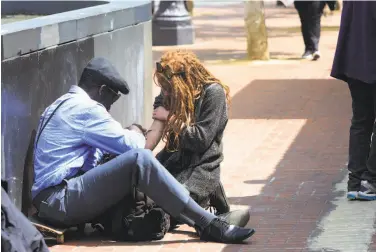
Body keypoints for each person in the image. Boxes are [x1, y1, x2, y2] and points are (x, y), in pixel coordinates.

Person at [31, 57, 255, 243]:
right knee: (140, 158)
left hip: (53, 199)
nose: (110, 106)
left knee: (132, 153)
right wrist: (159, 121)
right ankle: (207, 223)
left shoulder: (62, 103)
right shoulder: (87, 110)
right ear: (101, 89)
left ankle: (205, 215)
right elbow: (139, 147)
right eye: (113, 97)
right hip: (60, 200)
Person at [145, 50, 231, 217]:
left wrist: (170, 118)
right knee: (143, 200)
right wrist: (141, 152)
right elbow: (157, 124)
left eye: (169, 89)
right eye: (164, 88)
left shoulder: (214, 93)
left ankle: (209, 193)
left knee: (168, 211)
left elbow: (201, 139)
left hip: (201, 166)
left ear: (185, 81)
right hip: (172, 160)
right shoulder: (168, 91)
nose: (166, 93)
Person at [331, 1, 376, 200]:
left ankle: (355, 181)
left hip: (356, 63)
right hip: (367, 62)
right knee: (362, 122)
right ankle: (370, 180)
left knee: (361, 121)